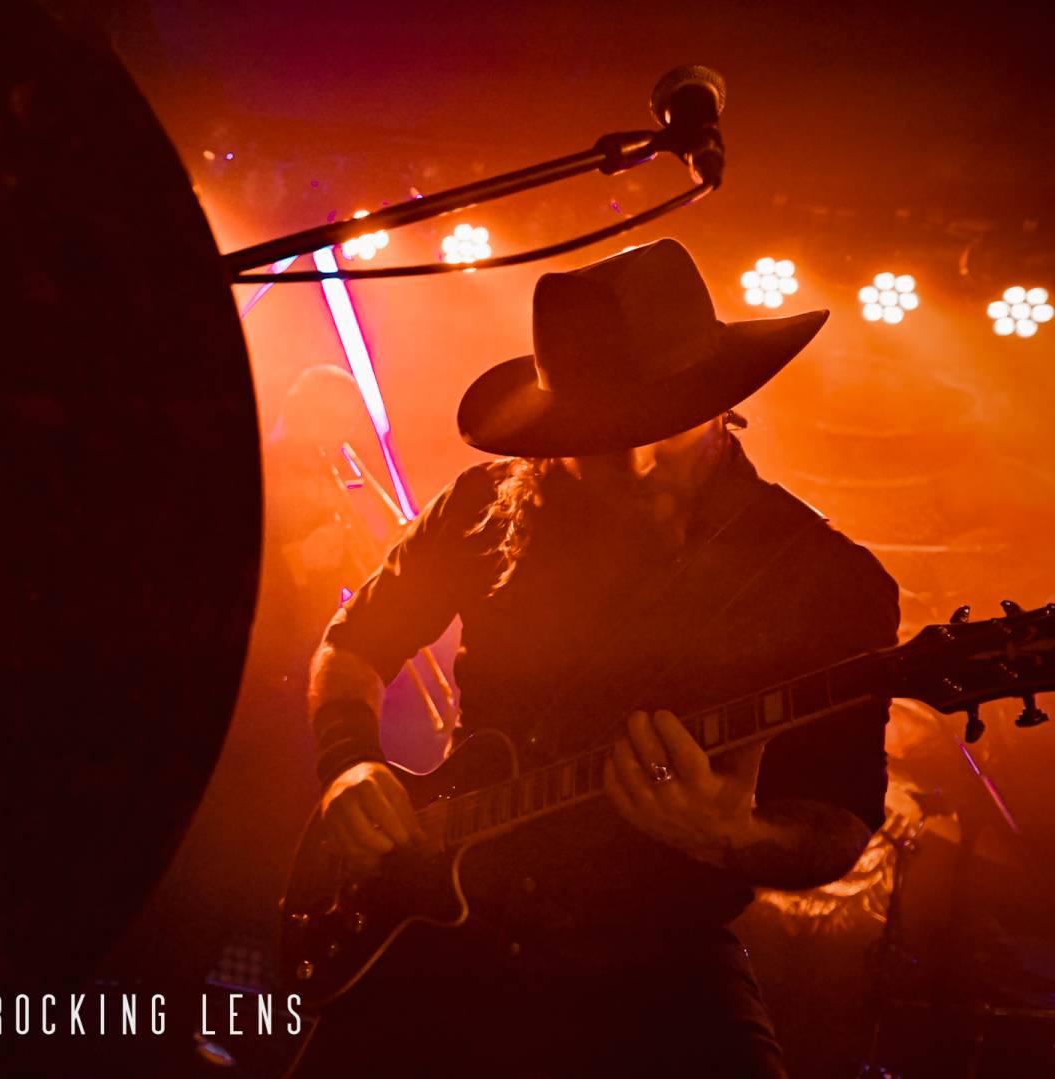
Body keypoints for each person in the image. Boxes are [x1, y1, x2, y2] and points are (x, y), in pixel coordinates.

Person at [295, 239, 900, 1077]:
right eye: (604, 437)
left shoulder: (823, 578)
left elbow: (840, 818)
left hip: (653, 965)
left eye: (663, 428)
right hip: (435, 929)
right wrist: (349, 764)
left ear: (720, 401)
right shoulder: (484, 505)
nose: (638, 461)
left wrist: (733, 835)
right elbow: (353, 644)